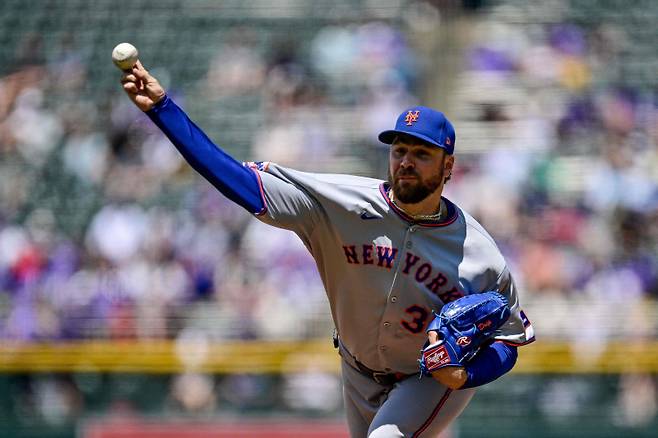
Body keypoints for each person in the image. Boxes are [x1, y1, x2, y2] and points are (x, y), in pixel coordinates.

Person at [120, 60, 535, 437]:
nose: (406, 161)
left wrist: (466, 376)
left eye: (422, 153)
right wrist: (162, 110)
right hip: (356, 368)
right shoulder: (341, 205)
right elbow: (236, 181)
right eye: (399, 150)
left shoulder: (479, 252)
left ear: (448, 166)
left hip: (428, 378)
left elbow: (510, 341)